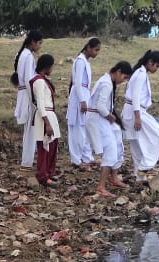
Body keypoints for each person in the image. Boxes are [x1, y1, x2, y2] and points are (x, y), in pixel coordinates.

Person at [87, 61, 132, 196]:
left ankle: (114, 178)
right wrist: (110, 116)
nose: (123, 81)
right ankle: (101, 187)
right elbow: (101, 107)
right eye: (124, 78)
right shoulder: (106, 84)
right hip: (97, 118)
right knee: (111, 150)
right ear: (118, 72)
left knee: (118, 142)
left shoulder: (107, 80)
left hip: (101, 118)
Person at [123, 50, 159, 181]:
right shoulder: (140, 74)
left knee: (137, 145)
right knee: (157, 134)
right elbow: (135, 97)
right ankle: (145, 167)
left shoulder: (140, 73)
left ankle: (140, 177)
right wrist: (137, 117)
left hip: (132, 111)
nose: (156, 69)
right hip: (136, 111)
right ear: (150, 62)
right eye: (156, 66)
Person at [66, 38, 101, 171]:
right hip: (79, 95)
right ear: (88, 48)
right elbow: (77, 82)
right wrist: (82, 101)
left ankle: (87, 157)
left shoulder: (85, 61)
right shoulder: (80, 61)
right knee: (77, 129)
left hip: (85, 93)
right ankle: (76, 159)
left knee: (84, 129)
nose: (97, 53)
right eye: (96, 49)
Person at [13, 31, 43, 169]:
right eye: (39, 43)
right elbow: (28, 79)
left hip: (25, 93)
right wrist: (34, 99)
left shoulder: (24, 54)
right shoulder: (28, 56)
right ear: (33, 42)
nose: (40, 46)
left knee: (30, 129)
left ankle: (29, 159)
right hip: (27, 94)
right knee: (30, 130)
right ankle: (27, 162)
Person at [30, 54, 61, 187]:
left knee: (52, 145)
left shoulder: (43, 80)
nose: (52, 68)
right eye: (52, 66)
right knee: (45, 147)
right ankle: (43, 176)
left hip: (49, 115)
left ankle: (48, 172)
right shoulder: (39, 81)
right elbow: (40, 104)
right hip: (45, 116)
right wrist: (47, 123)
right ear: (47, 66)